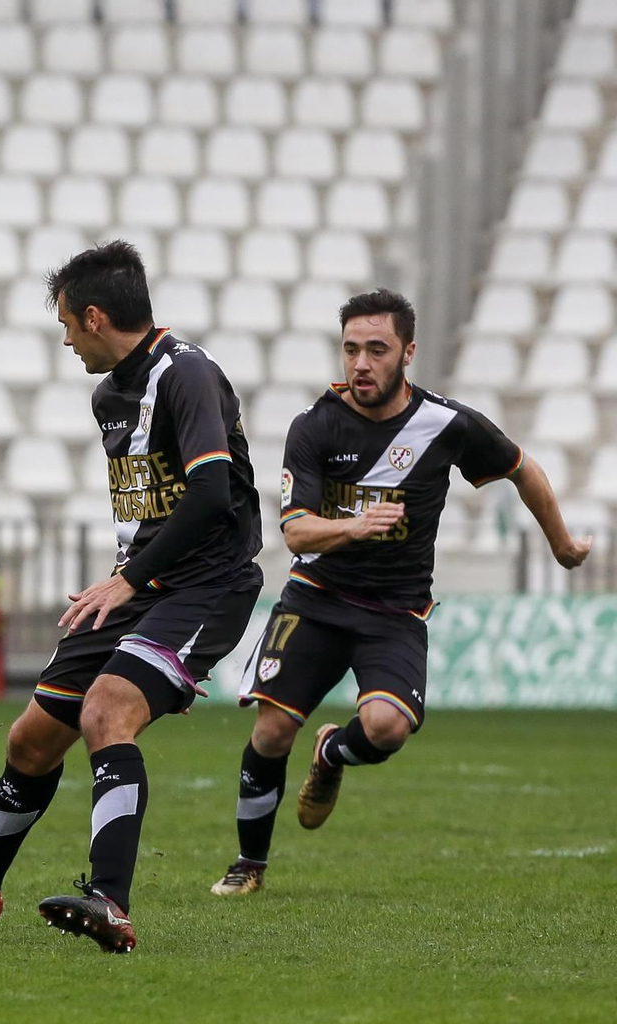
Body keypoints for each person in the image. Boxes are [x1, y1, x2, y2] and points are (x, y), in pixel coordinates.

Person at [0, 241, 263, 954]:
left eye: (66, 324)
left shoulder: (190, 375)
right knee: (31, 738)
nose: (64, 339)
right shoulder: (110, 393)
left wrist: (136, 585)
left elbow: (211, 495)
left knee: (106, 711)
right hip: (138, 589)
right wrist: (131, 591)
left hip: (205, 585)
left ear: (92, 315)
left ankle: (110, 902)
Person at [211, 289, 593, 897]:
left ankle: (333, 754)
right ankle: (248, 865)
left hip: (395, 612)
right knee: (272, 731)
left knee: (387, 728)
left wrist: (563, 544)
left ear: (407, 353)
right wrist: (353, 527)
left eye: (377, 350)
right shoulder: (313, 427)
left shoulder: (445, 424)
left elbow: (525, 469)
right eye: (351, 349)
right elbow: (294, 530)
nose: (361, 363)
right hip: (316, 596)